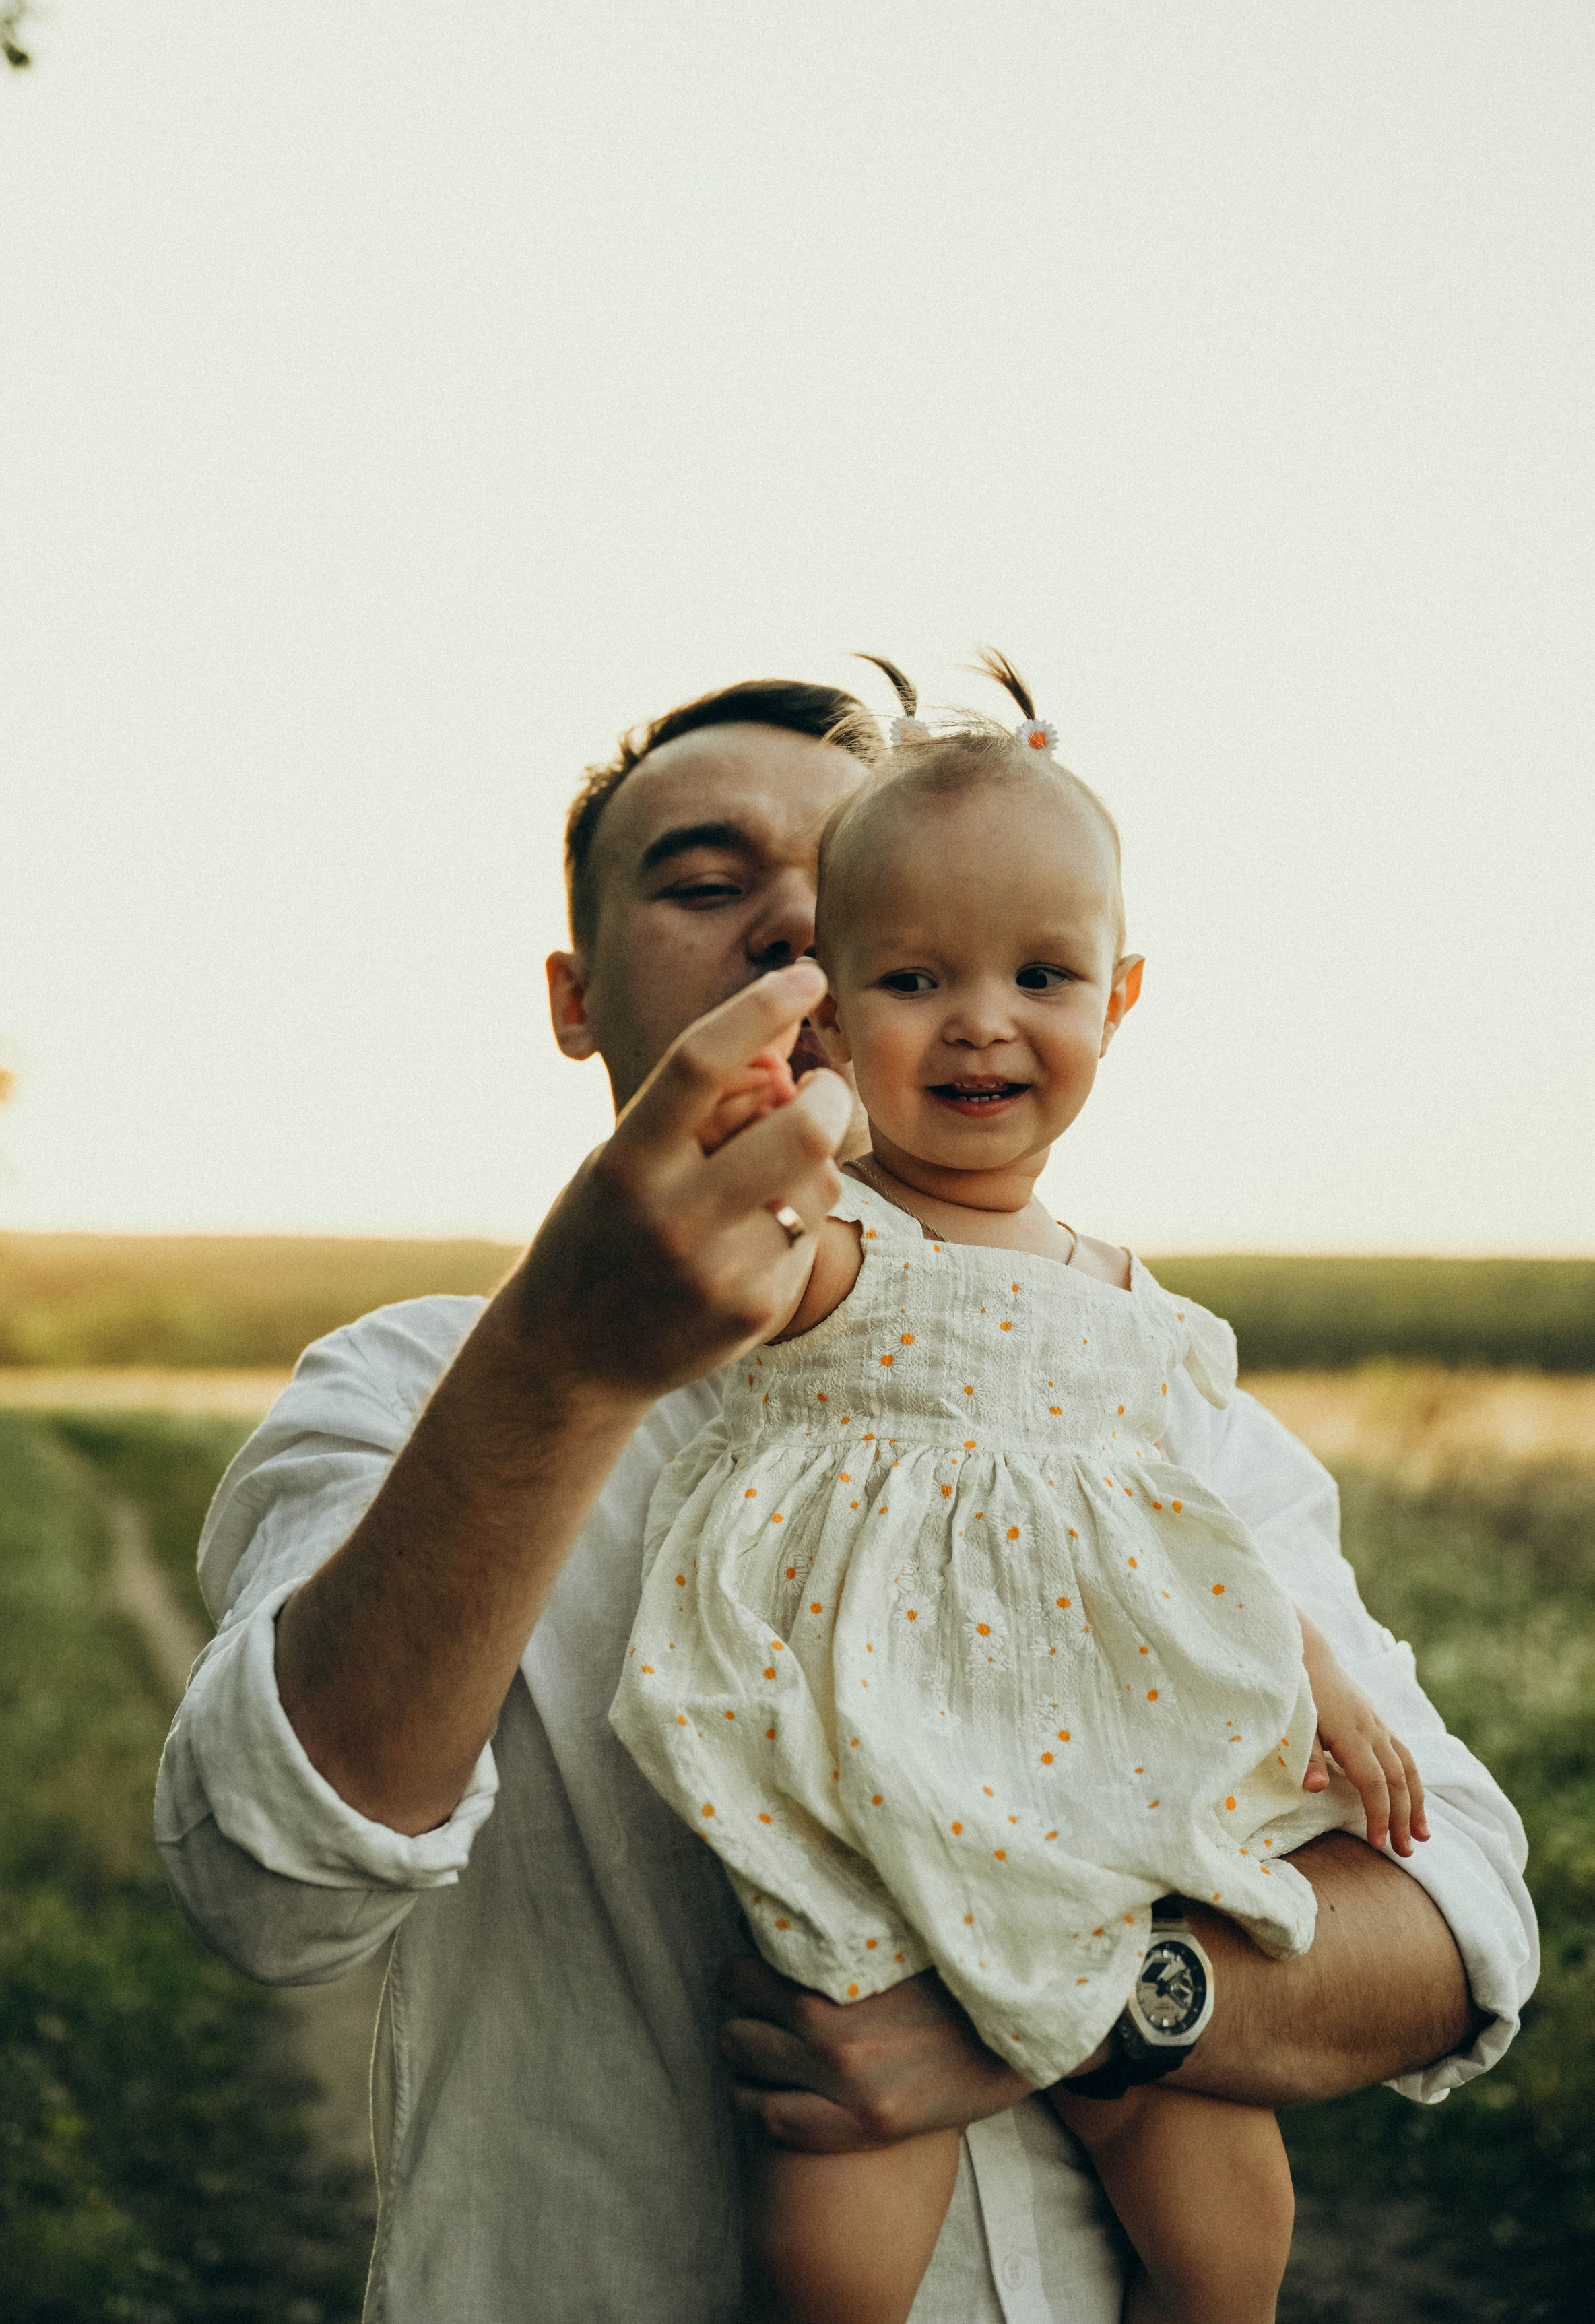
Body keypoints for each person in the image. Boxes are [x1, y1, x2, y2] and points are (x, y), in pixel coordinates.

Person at [156, 674, 1536, 2324]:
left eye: (844, 882)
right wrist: (562, 1361)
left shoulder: (1129, 1385)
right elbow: (269, 1895)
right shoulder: (414, 1391)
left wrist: (1072, 2004)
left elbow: (1454, 1922)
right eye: (704, 881)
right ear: (574, 993)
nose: (792, 930)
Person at [611, 656, 1429, 2324]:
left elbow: (1179, 1529)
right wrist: (764, 1116)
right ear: (825, 1014)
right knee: (840, 2230)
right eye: (913, 978)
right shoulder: (836, 1244)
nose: (983, 1019)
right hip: (883, 1772)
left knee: (1228, 2218)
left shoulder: (1134, 1306)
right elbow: (688, 1266)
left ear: (1119, 999)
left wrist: (1321, 1683)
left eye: (1040, 974)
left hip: (1105, 1806)